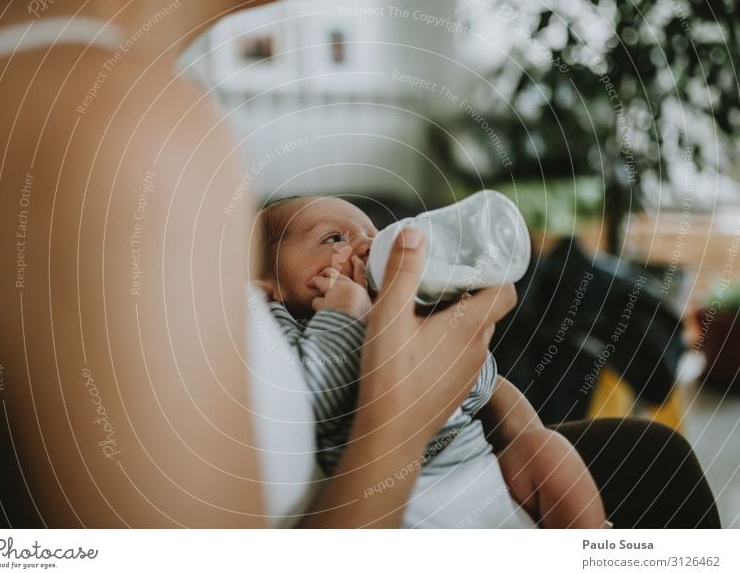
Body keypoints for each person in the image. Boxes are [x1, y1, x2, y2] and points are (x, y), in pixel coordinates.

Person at [0, 0, 720, 529]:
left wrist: (497, 415)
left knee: (650, 456)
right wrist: (400, 419)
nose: (355, 252)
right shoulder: (107, 135)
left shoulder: (75, 91)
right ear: (266, 283)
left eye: (358, 234)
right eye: (327, 240)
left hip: (457, 471)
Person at [257, 195, 608, 528]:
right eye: (334, 238)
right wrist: (345, 315)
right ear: (267, 284)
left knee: (543, 452)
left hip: (488, 482)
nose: (367, 246)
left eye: (374, 235)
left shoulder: (399, 309)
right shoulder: (275, 329)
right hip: (400, 508)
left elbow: (478, 387)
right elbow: (312, 398)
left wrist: (448, 330)